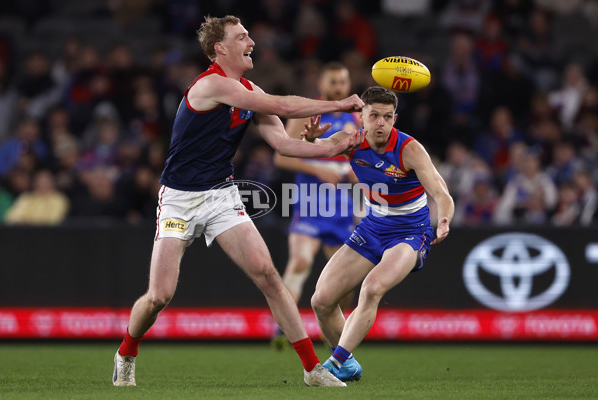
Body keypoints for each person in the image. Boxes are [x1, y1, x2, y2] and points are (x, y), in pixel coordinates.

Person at [112, 15, 365, 388]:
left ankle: (313, 370)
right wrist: (339, 104)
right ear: (220, 48)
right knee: (159, 295)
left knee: (269, 276)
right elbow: (284, 105)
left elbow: (284, 145)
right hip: (180, 199)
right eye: (242, 36)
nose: (252, 42)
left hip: (221, 195)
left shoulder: (249, 90)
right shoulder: (214, 84)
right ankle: (126, 353)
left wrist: (336, 146)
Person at [308, 86, 454, 381]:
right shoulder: (351, 142)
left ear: (394, 118)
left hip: (410, 233)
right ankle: (347, 363)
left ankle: (334, 365)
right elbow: (315, 147)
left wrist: (445, 219)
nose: (380, 123)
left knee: (372, 288)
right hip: (372, 227)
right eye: (373, 115)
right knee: (321, 301)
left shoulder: (409, 149)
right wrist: (312, 139)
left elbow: (441, 191)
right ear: (360, 116)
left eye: (387, 117)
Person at [272, 62, 359, 348]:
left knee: (344, 282)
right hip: (310, 202)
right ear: (321, 86)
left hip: (341, 207)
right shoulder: (309, 112)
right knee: (300, 261)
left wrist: (363, 187)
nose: (339, 88)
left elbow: (358, 164)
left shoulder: (357, 120)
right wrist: (318, 169)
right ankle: (283, 330)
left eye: (343, 83)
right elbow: (281, 157)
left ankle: (332, 329)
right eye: (333, 82)